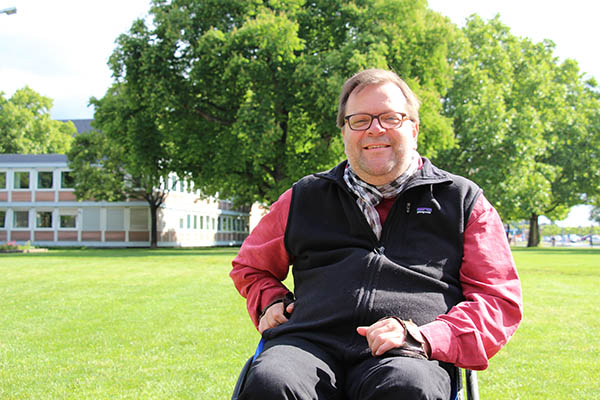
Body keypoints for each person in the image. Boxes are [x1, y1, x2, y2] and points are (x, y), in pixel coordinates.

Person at [230, 69, 523, 400]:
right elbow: (249, 267)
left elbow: (497, 301)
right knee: (271, 380)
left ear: (414, 128)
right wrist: (271, 299)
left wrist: (426, 337)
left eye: (390, 118)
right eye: (360, 120)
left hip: (408, 352)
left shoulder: (463, 200)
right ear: (344, 131)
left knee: (408, 388)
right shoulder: (303, 197)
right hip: (308, 343)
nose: (375, 129)